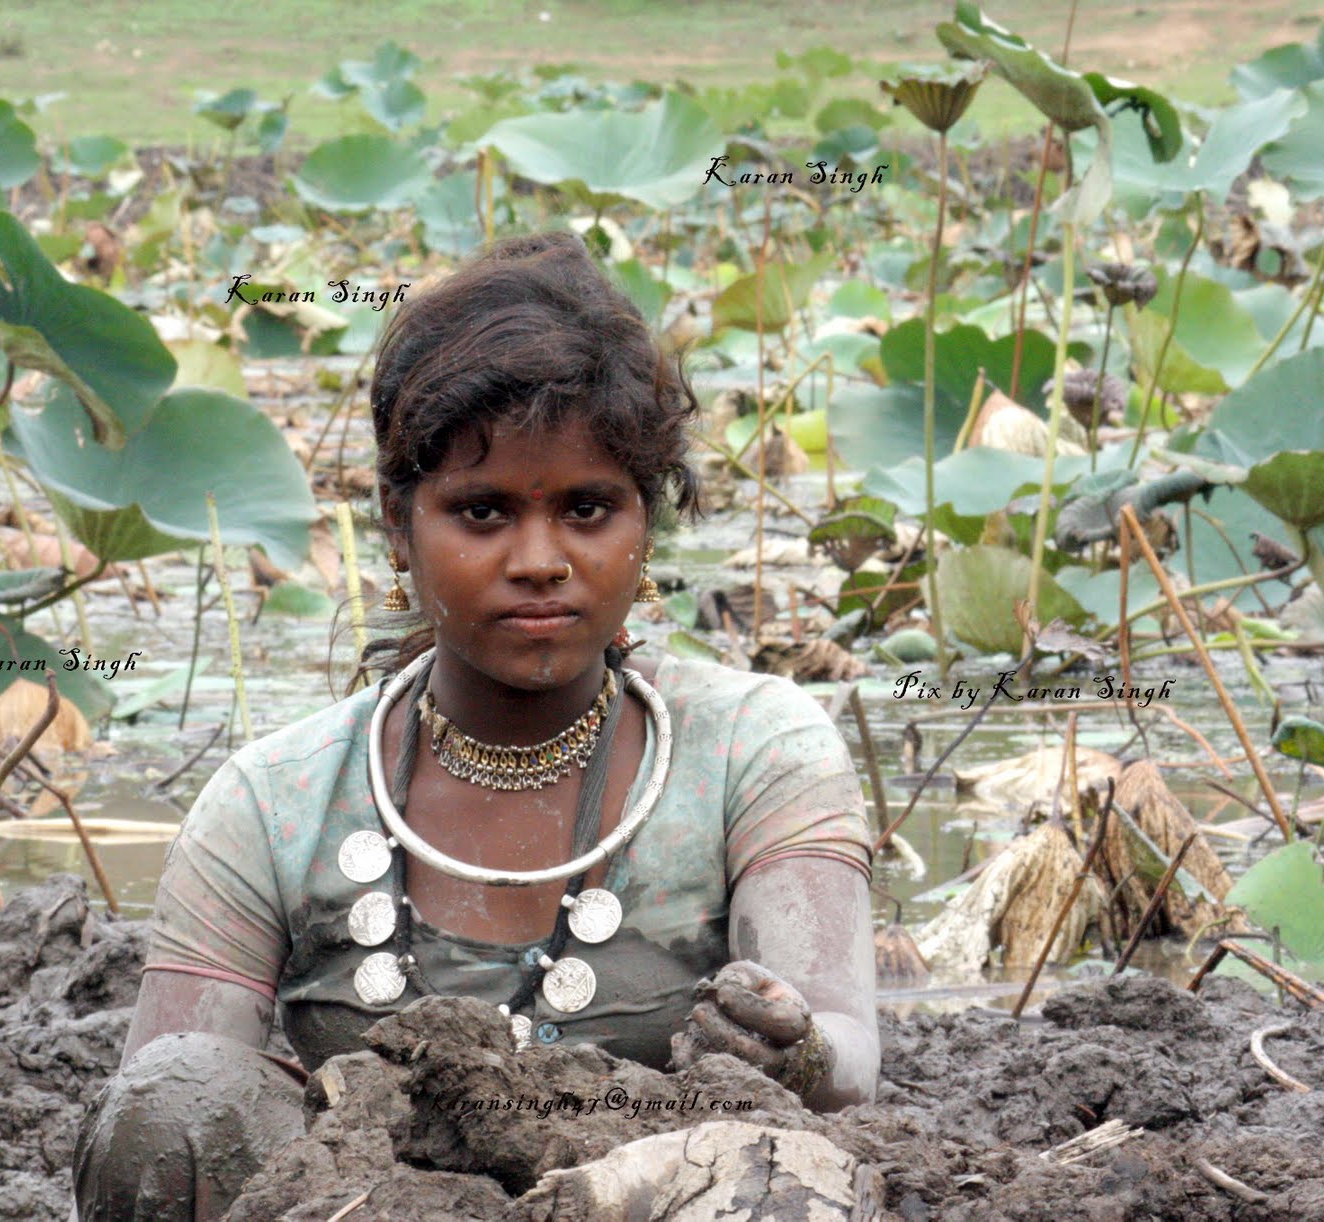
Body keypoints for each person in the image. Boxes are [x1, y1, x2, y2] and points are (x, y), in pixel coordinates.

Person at [72, 231, 878, 1220]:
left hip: (662, 1199)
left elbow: (847, 1052)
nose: (539, 558)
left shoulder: (758, 747)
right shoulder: (273, 799)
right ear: (399, 524)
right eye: (483, 511)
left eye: (588, 508)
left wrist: (791, 1042)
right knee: (173, 1098)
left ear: (645, 527)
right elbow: (169, 1097)